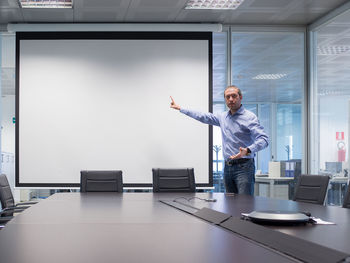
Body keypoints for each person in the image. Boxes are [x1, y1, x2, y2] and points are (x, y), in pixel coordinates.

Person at [170, 85, 268, 195]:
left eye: (234, 96)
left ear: (240, 97)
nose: (231, 99)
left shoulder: (250, 117)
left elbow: (264, 140)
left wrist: (248, 150)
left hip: (244, 167)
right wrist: (181, 109)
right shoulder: (223, 117)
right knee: (230, 204)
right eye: (228, 97)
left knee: (244, 204)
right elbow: (203, 117)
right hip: (228, 166)